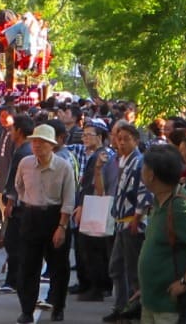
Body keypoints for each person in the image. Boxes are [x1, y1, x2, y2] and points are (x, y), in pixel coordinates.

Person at [138, 143, 186, 324]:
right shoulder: (160, 201)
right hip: (153, 300)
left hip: (171, 308)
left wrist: (185, 282)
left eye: (144, 167)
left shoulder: (180, 205)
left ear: (151, 175)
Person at [12, 123, 76, 324]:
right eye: (34, 142)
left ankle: (58, 307)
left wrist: (62, 226)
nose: (37, 146)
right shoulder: (25, 163)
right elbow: (19, 187)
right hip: (31, 216)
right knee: (28, 266)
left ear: (52, 145)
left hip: (55, 216)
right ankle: (27, 310)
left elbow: (69, 199)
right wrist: (30, 203)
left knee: (59, 267)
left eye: (42, 142)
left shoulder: (63, 167)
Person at [104, 121, 152, 323]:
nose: (121, 143)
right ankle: (121, 306)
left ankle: (136, 309)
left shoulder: (139, 162)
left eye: (126, 139)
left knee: (133, 270)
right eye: (119, 139)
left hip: (133, 222)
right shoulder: (123, 160)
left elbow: (144, 192)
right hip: (121, 221)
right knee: (116, 266)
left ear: (136, 141)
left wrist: (138, 216)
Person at [73, 118, 116, 302]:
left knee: (93, 248)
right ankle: (88, 284)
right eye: (83, 135)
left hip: (95, 205)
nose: (84, 138)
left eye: (89, 135)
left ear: (100, 137)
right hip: (90, 203)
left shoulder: (103, 156)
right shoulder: (94, 155)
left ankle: (97, 286)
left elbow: (95, 185)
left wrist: (82, 206)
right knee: (87, 248)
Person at [0, 113, 34, 295]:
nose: (10, 132)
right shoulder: (24, 149)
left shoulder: (24, 151)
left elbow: (16, 182)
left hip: (20, 205)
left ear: (19, 131)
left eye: (13, 129)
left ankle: (13, 280)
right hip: (21, 203)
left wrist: (10, 202)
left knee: (14, 243)